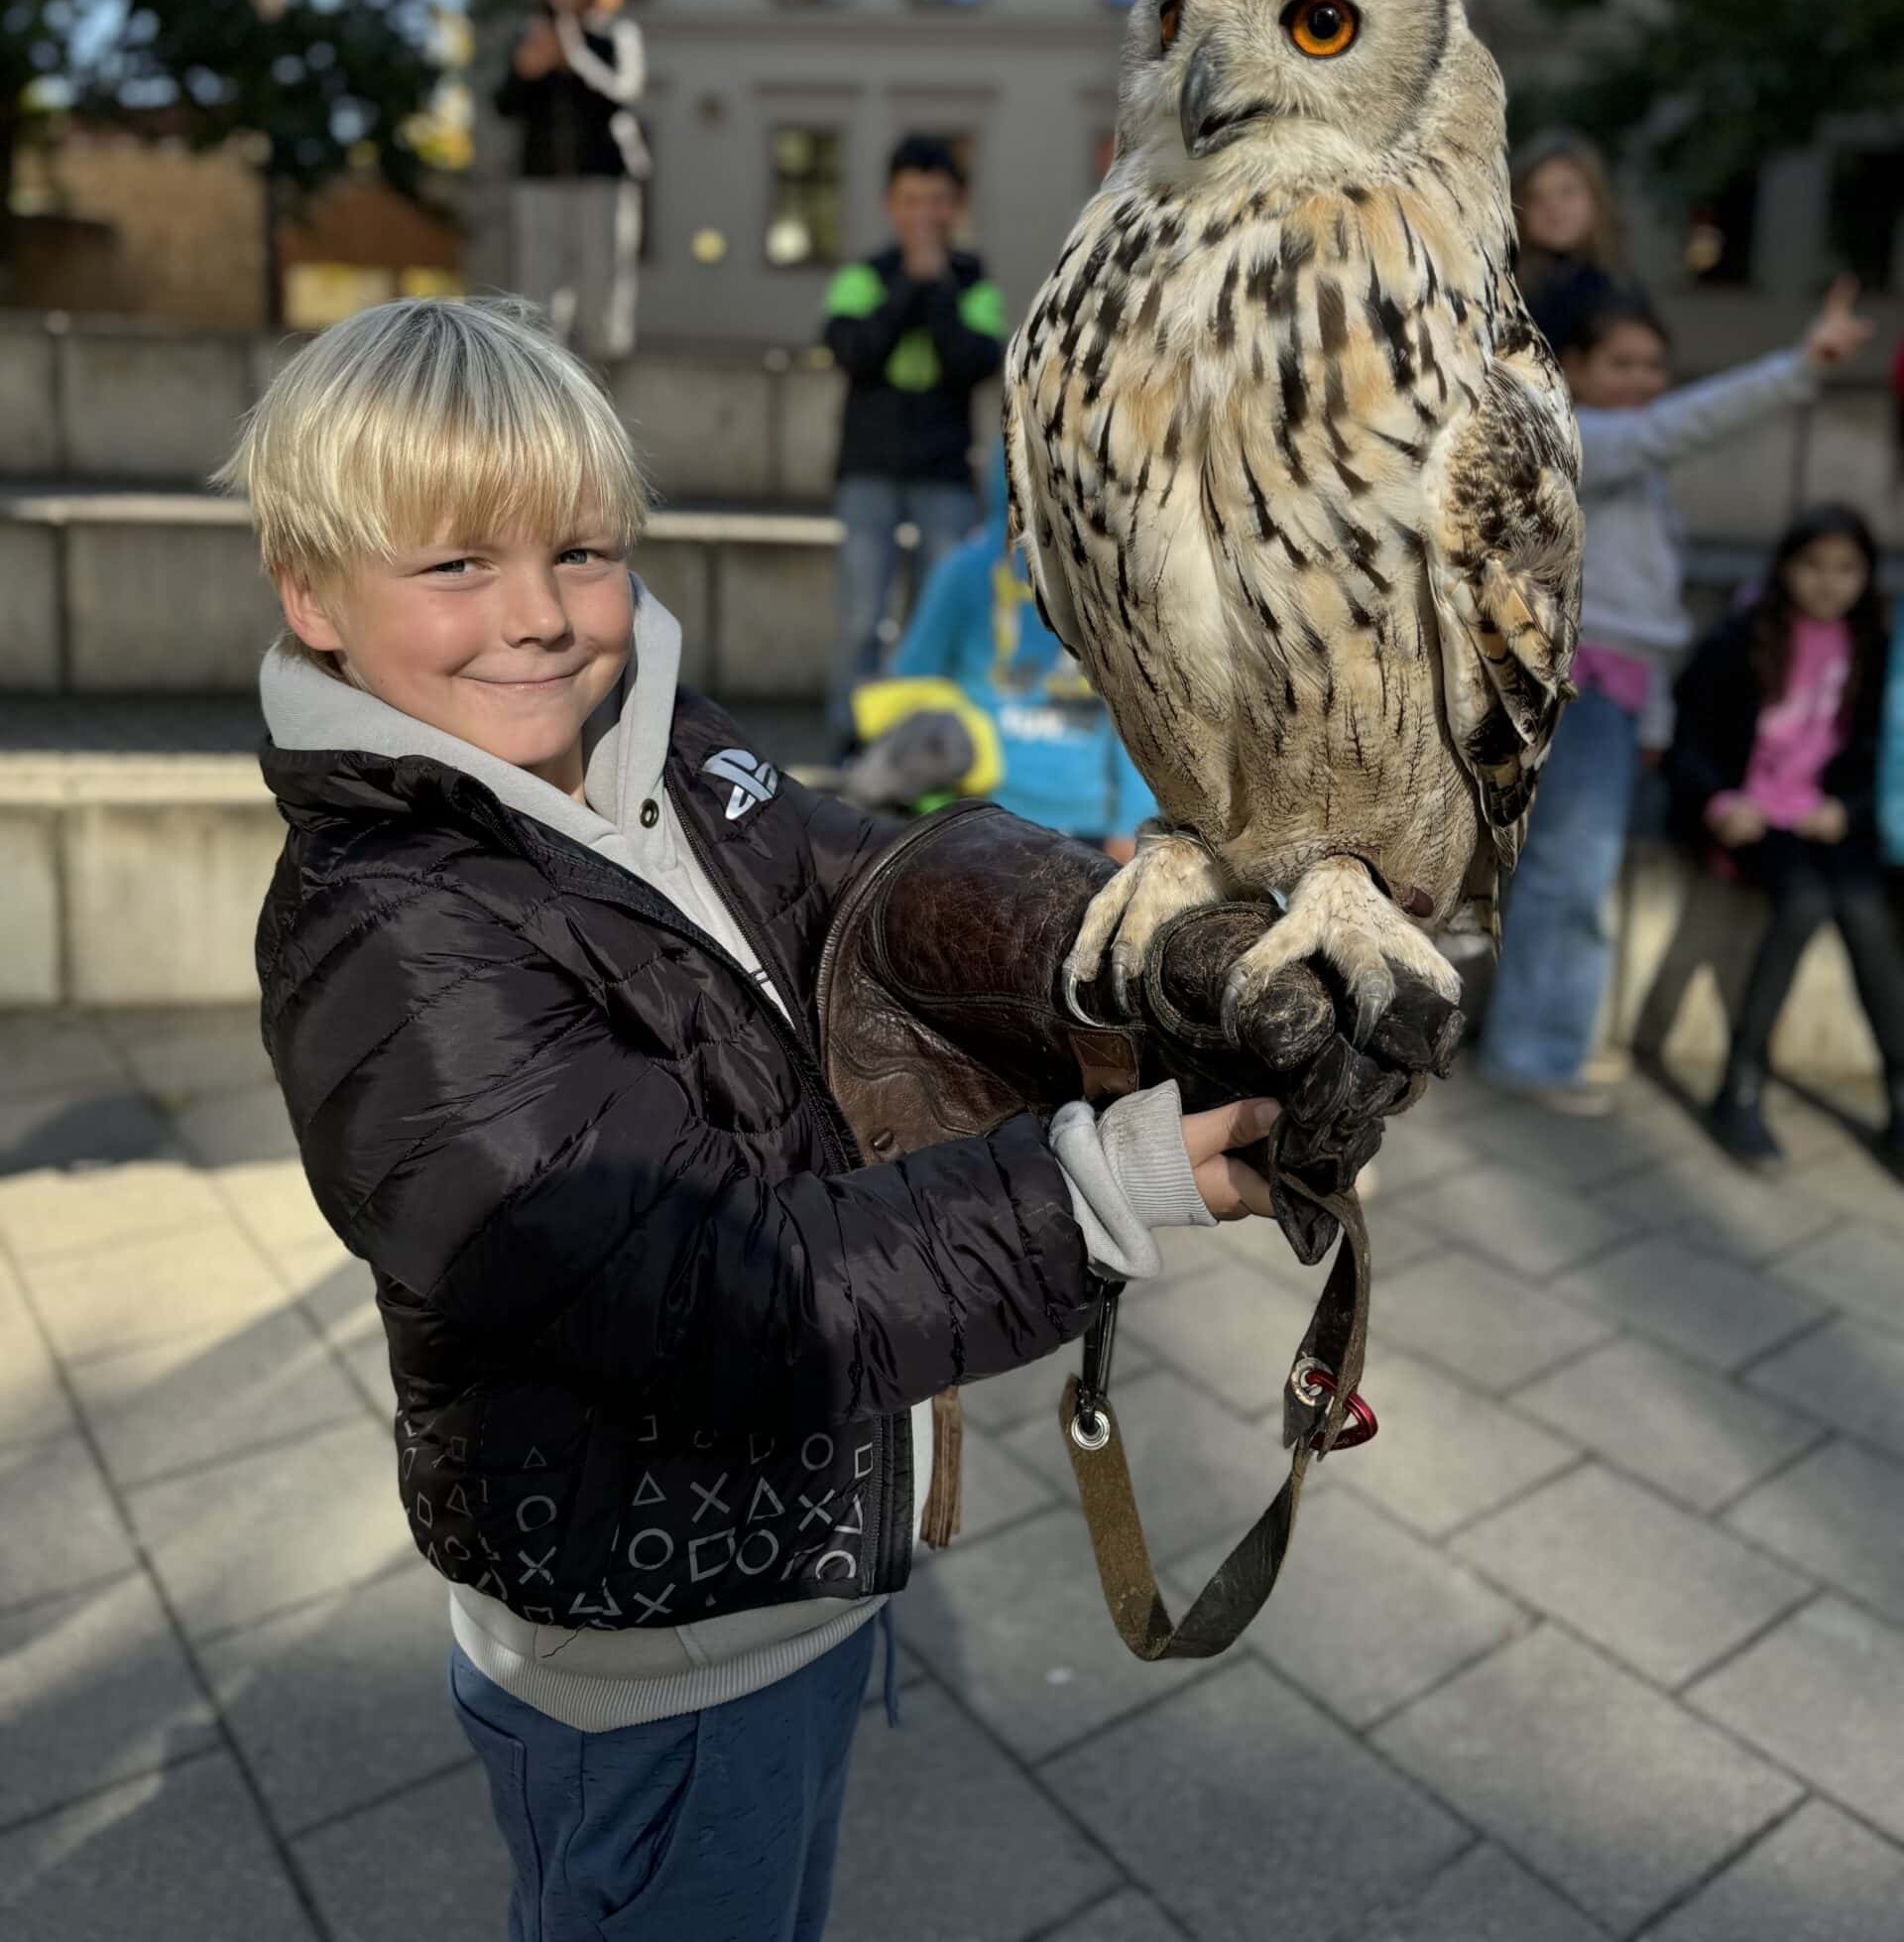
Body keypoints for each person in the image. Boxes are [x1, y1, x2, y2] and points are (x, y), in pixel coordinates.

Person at [216, 294, 1286, 1941]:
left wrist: (1120, 950)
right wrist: (1101, 1187)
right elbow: (699, 1286)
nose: (541, 616)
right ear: (314, 596)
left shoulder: (653, 738)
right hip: (652, 1656)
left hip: (780, 1586)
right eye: (454, 567)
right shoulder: (390, 933)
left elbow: (865, 885)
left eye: (580, 552)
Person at [1476, 276, 1871, 1117]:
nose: (1644, 380)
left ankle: (1546, 1045)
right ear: (1569, 363)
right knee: (1566, 881)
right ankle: (1534, 1055)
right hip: (1579, 697)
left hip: (1611, 700)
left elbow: (1643, 615)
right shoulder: (1576, 436)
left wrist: (1649, 719)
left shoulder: (1621, 459)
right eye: (1622, 362)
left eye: (1655, 364)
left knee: (1576, 878)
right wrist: (1797, 367)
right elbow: (1674, 428)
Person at [1669, 504, 1904, 1165]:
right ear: (1785, 568)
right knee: (1802, 904)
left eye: (1846, 569)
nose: (1828, 583)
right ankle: (1739, 1087)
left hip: (1826, 819)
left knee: (1862, 910)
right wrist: (1719, 802)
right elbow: (1690, 740)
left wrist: (1848, 809)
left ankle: (1901, 1101)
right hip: (1753, 817)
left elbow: (1880, 752)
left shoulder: (1874, 648)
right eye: (1812, 566)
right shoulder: (1742, 638)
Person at [843, 444, 1155, 854]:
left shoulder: (1119, 585)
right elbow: (913, 685)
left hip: (1088, 826)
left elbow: (1140, 719)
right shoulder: (965, 572)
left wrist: (1132, 824)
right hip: (979, 811)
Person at [820, 136, 1006, 750]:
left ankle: (923, 739)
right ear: (889, 204)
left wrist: (938, 288)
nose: (924, 214)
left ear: (956, 208)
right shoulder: (862, 278)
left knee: (937, 613)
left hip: (944, 474)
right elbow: (855, 353)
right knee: (860, 615)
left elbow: (973, 363)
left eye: (938, 201)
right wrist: (911, 286)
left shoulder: (974, 284)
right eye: (911, 200)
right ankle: (853, 735)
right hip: (868, 470)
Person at [493, 0, 650, 359]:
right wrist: (528, 70)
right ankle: (540, 364)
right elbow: (504, 106)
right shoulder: (529, 37)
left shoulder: (616, 36)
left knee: (604, 274)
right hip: (541, 174)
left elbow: (621, 96)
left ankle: (608, 365)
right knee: (538, 279)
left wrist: (575, 58)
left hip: (602, 174)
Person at [1511, 129, 1626, 353]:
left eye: (1567, 192)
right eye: (1536, 198)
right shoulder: (1508, 290)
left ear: (1596, 196)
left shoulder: (1621, 285)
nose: (1553, 210)